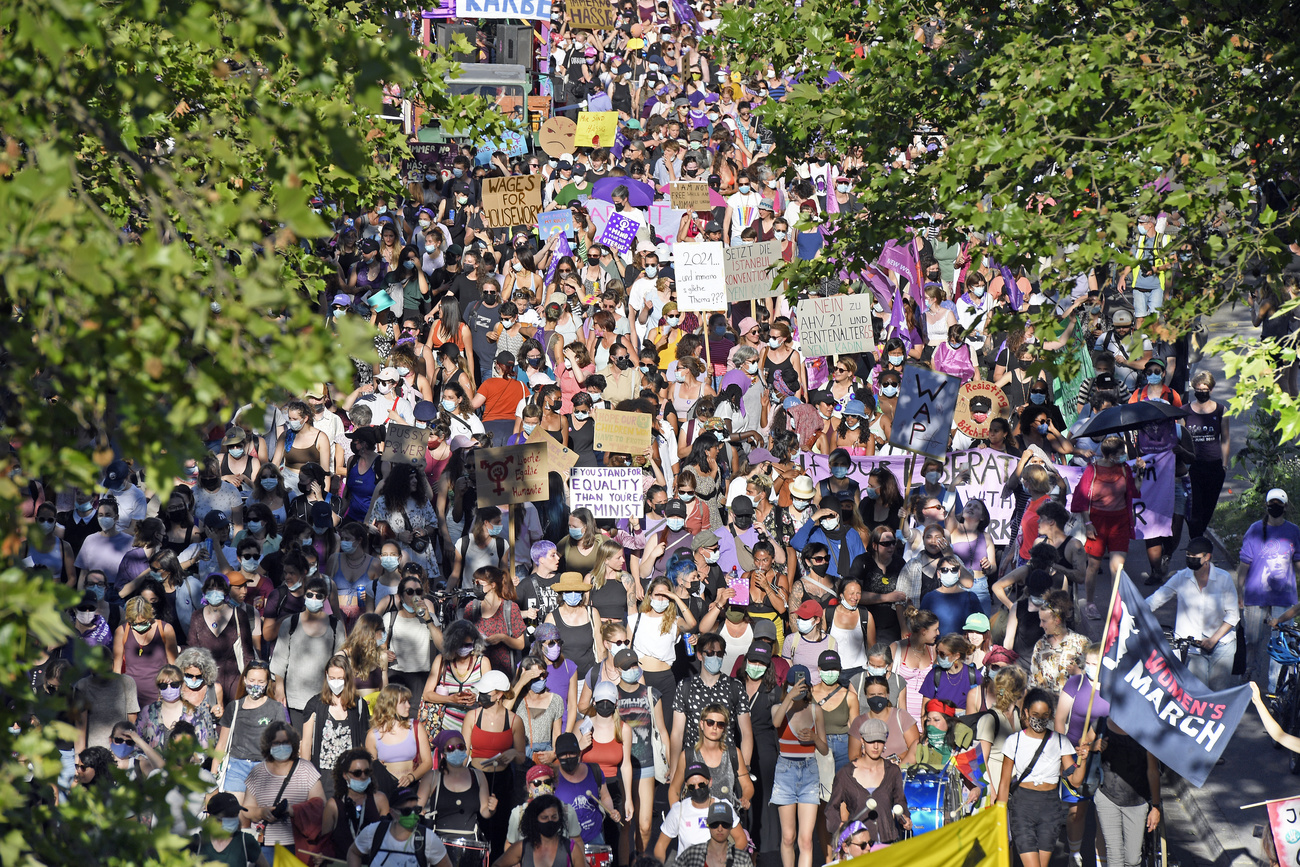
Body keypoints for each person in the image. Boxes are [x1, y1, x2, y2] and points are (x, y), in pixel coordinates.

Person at [996, 688, 1092, 867]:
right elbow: (1004, 783)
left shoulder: (1060, 741)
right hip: (1022, 807)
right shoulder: (1013, 741)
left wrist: (1084, 760)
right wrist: (1000, 815)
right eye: (1035, 714)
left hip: (1050, 808)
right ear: (1026, 712)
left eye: (1045, 715)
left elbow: (1075, 780)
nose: (1039, 719)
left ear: (1050, 716)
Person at [1146, 537, 1239, 690]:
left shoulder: (1224, 579)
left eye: (1194, 556)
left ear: (1207, 557)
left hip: (1223, 644)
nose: (1189, 559)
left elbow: (1233, 615)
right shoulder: (1181, 577)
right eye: (1188, 555)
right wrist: (1131, 608)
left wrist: (1213, 639)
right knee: (1197, 692)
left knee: (1218, 692)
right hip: (1193, 647)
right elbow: (1156, 599)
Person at [1072, 435, 1144, 615]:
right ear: (1110, 455)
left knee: (1117, 567)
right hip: (1096, 523)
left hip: (1120, 523)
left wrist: (1140, 472)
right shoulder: (1092, 470)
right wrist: (1088, 524)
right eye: (1120, 453)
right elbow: (1081, 499)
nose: (1123, 456)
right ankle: (1089, 604)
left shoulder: (1125, 468)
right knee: (1094, 566)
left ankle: (1115, 608)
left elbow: (1135, 490)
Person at [1236, 488, 1300, 693]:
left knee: (1281, 641)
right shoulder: (1254, 530)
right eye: (1272, 503)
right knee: (1253, 639)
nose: (1276, 507)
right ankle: (1250, 671)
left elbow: (1298, 562)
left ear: (1285, 507)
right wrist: (1240, 592)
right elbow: (1244, 564)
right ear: (1266, 505)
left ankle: (1276, 687)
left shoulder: (1293, 531)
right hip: (1256, 594)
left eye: (1279, 504)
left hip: (1284, 596)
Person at [240, 720, 325, 862]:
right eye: (276, 743)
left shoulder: (306, 769)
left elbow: (321, 805)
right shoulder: (258, 772)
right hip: (266, 846)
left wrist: (294, 811)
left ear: (293, 743)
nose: (281, 747)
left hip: (298, 845)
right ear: (268, 745)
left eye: (285, 742)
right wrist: (261, 812)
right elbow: (246, 809)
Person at [1083, 718, 1162, 867]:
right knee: (1114, 855)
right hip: (1107, 797)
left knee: (1133, 860)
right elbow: (1081, 747)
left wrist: (1156, 807)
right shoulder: (1101, 723)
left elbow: (1153, 771)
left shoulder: (1147, 729)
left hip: (1138, 801)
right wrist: (1092, 746)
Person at [826, 718, 910, 845]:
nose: (876, 746)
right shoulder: (845, 774)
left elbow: (900, 802)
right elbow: (831, 809)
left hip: (886, 844)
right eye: (871, 741)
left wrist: (904, 818)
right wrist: (841, 829)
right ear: (862, 741)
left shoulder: (893, 771)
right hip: (858, 846)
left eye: (880, 741)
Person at [300, 654, 372, 799]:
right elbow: (307, 743)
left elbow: (366, 741)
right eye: (332, 678)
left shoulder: (358, 705)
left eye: (340, 678)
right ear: (326, 676)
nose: (336, 682)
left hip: (351, 775)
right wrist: (307, 779)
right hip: (323, 776)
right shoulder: (315, 704)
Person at [215, 660, 289, 794]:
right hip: (236, 767)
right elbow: (222, 744)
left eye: (261, 682)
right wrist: (213, 775)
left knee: (257, 813)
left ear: (267, 683)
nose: (255, 685)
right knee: (233, 812)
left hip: (264, 768)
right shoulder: (234, 707)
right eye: (252, 680)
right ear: (244, 680)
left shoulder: (276, 708)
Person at [655, 765, 747, 861]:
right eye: (692, 786)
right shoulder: (679, 810)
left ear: (709, 782)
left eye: (701, 785)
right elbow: (661, 845)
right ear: (686, 786)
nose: (697, 788)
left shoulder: (722, 806)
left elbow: (741, 839)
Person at [348, 785, 455, 867]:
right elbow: (354, 852)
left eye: (416, 810)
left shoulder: (428, 839)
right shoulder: (374, 831)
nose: (412, 815)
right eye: (407, 811)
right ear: (392, 812)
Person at [322, 748, 391, 860]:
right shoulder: (333, 805)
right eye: (357, 773)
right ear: (345, 775)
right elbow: (324, 843)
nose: (363, 776)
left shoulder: (380, 799)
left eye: (367, 772)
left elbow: (387, 836)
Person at [367, 684, 434, 798]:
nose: (408, 705)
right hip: (385, 791)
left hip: (412, 788)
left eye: (408, 701)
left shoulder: (416, 727)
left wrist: (411, 777)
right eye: (403, 702)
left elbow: (428, 762)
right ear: (390, 705)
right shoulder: (373, 735)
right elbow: (370, 770)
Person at [493, 793, 587, 867]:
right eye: (544, 817)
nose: (550, 821)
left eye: (554, 817)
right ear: (534, 820)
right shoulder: (522, 847)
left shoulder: (572, 849)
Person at [1030, 590, 1089, 690]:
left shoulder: (1081, 644)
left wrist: (1079, 673)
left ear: (1057, 621)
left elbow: (1095, 680)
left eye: (1044, 621)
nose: (1040, 625)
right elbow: (1033, 682)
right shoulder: (1040, 645)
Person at [196, 792, 269, 867]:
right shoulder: (197, 842)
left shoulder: (245, 840)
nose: (233, 818)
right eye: (228, 815)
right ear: (212, 817)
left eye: (236, 814)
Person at [673, 802, 754, 867]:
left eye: (725, 824)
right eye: (714, 824)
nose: (720, 829)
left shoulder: (743, 860)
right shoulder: (690, 855)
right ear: (707, 825)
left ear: (731, 826)